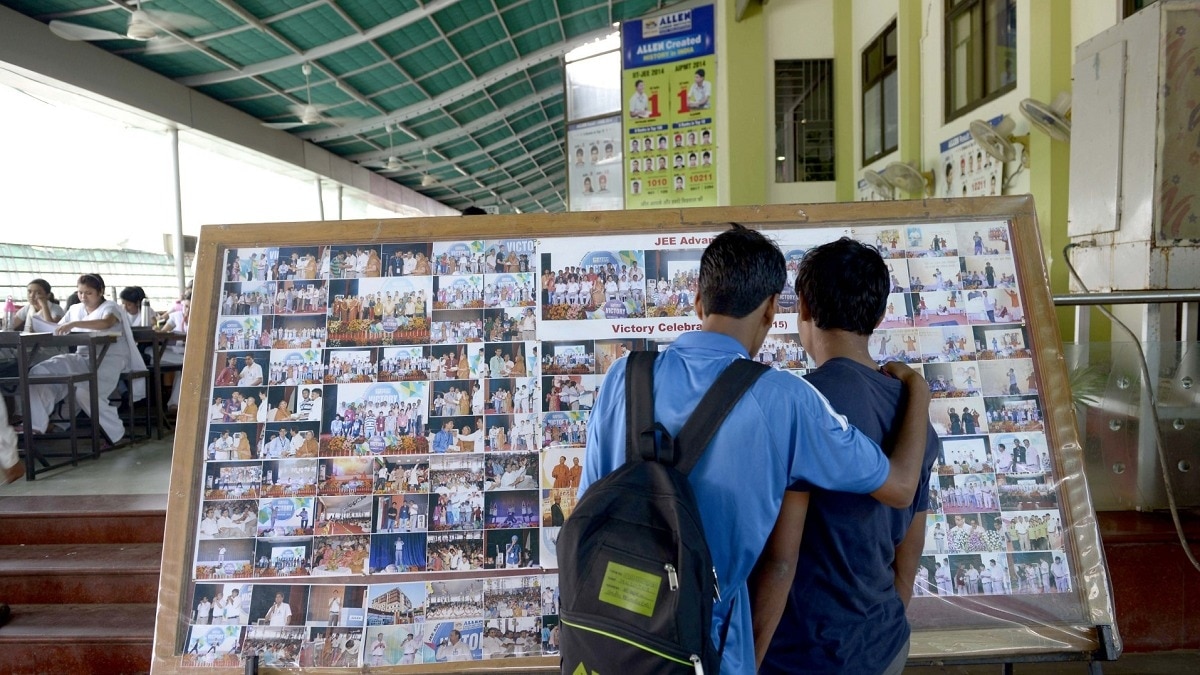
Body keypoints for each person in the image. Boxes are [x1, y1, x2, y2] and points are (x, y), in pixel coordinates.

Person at [579, 225, 932, 675]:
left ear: (698, 300)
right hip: (708, 650)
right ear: (770, 310)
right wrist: (918, 390)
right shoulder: (785, 400)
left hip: (608, 633)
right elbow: (899, 487)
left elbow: (587, 511)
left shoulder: (622, 377)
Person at [759, 238, 940, 675]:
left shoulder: (799, 405)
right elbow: (909, 551)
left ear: (803, 307)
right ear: (878, 315)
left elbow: (780, 562)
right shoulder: (915, 419)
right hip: (882, 644)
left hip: (800, 654)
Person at [24, 273, 144, 444]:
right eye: (80, 293)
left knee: (85, 393)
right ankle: (36, 424)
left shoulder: (110, 307)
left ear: (100, 292)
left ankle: (115, 434)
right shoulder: (75, 309)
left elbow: (106, 323)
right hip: (83, 356)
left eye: (88, 293)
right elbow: (57, 328)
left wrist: (74, 324)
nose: (83, 297)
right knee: (39, 372)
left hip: (111, 358)